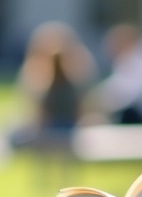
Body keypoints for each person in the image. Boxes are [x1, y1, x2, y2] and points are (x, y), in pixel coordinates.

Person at [9, 22, 96, 150]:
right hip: (69, 130)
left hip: (51, 132)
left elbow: (40, 115)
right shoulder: (78, 78)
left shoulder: (39, 80)